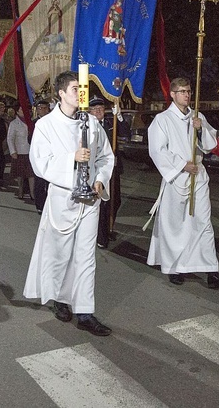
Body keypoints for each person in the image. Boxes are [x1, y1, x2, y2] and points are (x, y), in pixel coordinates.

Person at [24, 71, 115, 336]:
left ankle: (85, 311)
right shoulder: (46, 125)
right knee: (61, 253)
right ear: (61, 93)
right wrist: (72, 158)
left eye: (82, 88)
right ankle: (61, 299)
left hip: (90, 200)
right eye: (76, 89)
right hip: (63, 199)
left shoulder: (92, 123)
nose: (80, 93)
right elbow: (40, 164)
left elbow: (106, 157)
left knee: (86, 257)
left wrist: (100, 179)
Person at [146, 77, 219, 289]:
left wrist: (201, 128)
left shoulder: (198, 116)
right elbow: (157, 150)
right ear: (173, 95)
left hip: (199, 176)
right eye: (182, 91)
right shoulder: (162, 119)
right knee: (175, 225)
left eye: (188, 91)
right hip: (177, 177)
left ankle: (211, 270)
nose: (187, 95)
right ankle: (174, 267)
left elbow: (211, 144)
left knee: (203, 223)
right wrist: (181, 165)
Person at [88, 95, 130, 249]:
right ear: (90, 111)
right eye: (95, 109)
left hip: (113, 169)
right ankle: (101, 235)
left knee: (115, 200)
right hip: (98, 170)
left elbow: (125, 133)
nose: (99, 111)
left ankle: (109, 227)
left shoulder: (110, 122)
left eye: (101, 108)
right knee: (103, 203)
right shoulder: (88, 125)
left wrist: (119, 116)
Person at [7, 101, 35, 199]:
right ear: (17, 111)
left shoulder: (31, 122)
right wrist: (13, 151)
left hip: (30, 151)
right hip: (19, 151)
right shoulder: (14, 123)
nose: (23, 111)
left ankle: (32, 193)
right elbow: (10, 138)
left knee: (31, 174)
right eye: (21, 109)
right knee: (20, 174)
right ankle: (20, 190)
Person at [32, 99, 51, 213]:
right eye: (40, 108)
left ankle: (50, 204)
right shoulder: (34, 122)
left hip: (50, 156)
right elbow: (30, 138)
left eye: (45, 108)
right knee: (39, 182)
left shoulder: (52, 121)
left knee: (50, 182)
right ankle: (40, 205)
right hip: (38, 155)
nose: (43, 110)